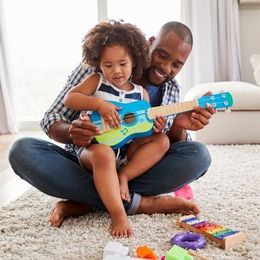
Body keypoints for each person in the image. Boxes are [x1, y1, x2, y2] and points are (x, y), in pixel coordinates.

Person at [8, 21, 214, 232]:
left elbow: (166, 146)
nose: (166, 68)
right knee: (22, 151)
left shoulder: (169, 88)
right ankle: (139, 204)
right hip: (90, 157)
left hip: (132, 166)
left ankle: (90, 200)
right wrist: (73, 132)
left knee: (199, 156)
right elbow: (52, 117)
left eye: (176, 64)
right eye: (162, 55)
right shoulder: (100, 66)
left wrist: (178, 126)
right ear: (150, 43)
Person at [63, 21, 170, 237]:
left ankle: (123, 178)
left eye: (122, 63)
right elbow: (70, 98)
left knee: (163, 141)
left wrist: (156, 127)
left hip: (124, 155)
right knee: (103, 154)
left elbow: (140, 129)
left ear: (134, 60)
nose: (116, 71)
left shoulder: (141, 94)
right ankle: (118, 213)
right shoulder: (97, 81)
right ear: (99, 64)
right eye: (108, 65)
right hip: (95, 151)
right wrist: (98, 105)